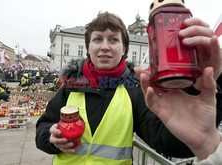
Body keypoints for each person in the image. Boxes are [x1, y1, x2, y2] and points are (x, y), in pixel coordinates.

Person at [35, 12, 222, 164]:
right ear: (89, 47)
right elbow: (43, 126)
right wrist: (52, 139)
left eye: (114, 40)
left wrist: (200, 126)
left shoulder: (135, 89)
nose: (105, 47)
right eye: (97, 39)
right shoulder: (71, 84)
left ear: (124, 48)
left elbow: (168, 143)